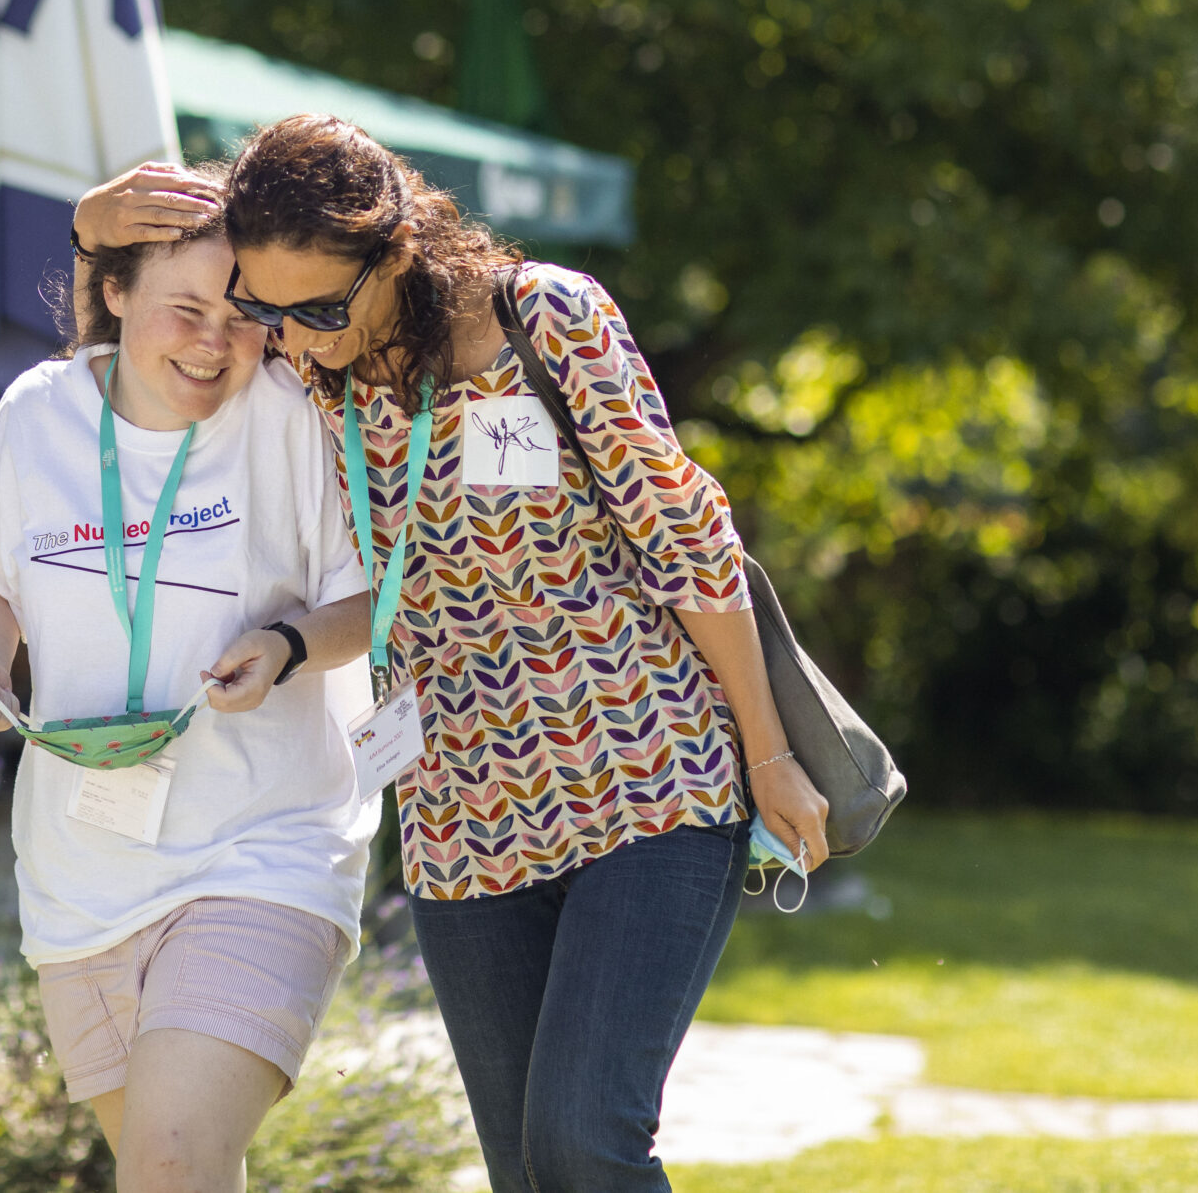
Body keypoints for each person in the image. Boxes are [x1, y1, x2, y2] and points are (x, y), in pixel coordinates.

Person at [74, 120, 830, 1193]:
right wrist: (84, 230)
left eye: (321, 309)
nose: (292, 339)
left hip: (645, 784)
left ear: (398, 248)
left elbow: (692, 549)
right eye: (265, 308)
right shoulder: (314, 373)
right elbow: (136, 344)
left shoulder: (543, 319)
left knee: (585, 1145)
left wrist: (766, 758)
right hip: (460, 822)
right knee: (524, 1171)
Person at [0, 201, 377, 1193]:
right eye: (185, 310)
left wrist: (284, 643)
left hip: (263, 848)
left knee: (170, 1164)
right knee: (175, 1172)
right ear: (116, 293)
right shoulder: (37, 413)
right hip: (78, 874)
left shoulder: (289, 414)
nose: (216, 342)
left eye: (240, 314)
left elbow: (376, 601)